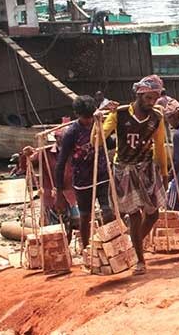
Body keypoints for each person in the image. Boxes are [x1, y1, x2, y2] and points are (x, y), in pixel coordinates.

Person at [101, 75, 170, 275]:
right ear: (139, 95)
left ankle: (134, 242)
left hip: (146, 167)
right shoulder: (120, 114)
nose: (151, 102)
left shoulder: (156, 116)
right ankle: (140, 260)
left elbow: (159, 146)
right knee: (134, 215)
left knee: (153, 213)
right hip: (124, 168)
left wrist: (164, 173)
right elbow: (98, 140)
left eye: (155, 98)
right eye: (148, 98)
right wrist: (100, 117)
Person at [55, 95, 116, 250]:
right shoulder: (71, 133)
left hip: (102, 175)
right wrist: (60, 192)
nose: (89, 121)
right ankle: (86, 247)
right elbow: (61, 163)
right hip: (83, 180)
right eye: (85, 118)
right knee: (85, 216)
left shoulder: (98, 124)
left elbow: (109, 144)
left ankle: (112, 244)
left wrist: (114, 127)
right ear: (77, 115)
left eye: (90, 117)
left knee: (108, 211)